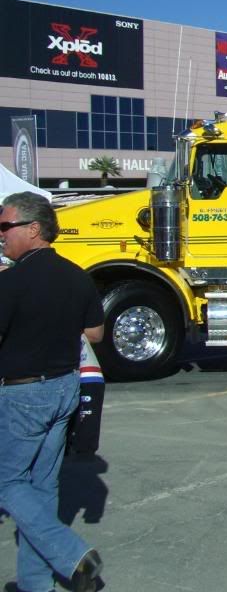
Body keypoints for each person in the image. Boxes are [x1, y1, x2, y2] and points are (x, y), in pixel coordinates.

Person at [0, 192, 105, 592]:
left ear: (34, 229)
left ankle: (72, 554)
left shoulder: (11, 282)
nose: (1, 234)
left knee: (8, 484)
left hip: (23, 393)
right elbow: (94, 332)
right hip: (64, 388)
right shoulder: (77, 275)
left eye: (6, 226)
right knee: (42, 488)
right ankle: (35, 584)